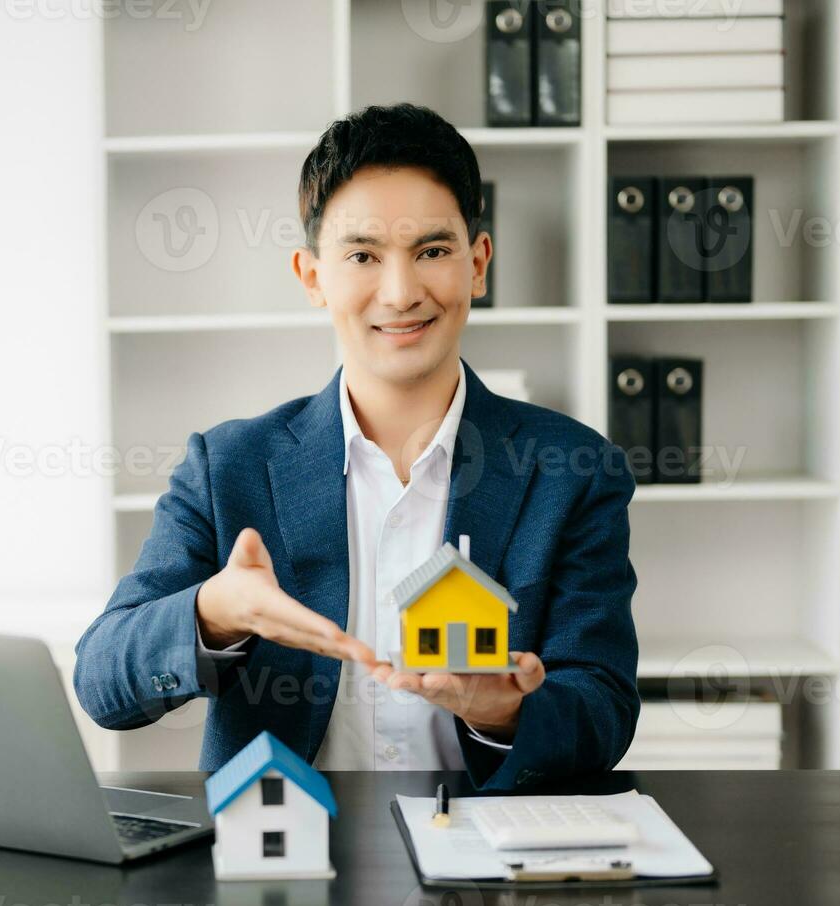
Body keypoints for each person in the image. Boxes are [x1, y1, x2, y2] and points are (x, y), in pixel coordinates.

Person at [74, 103, 638, 789]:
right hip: (286, 859)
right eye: (363, 256)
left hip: (485, 864)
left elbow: (603, 710)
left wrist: (503, 711)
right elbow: (102, 683)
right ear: (312, 277)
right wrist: (215, 613)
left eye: (432, 251)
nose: (400, 293)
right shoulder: (228, 468)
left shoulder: (573, 470)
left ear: (478, 265)